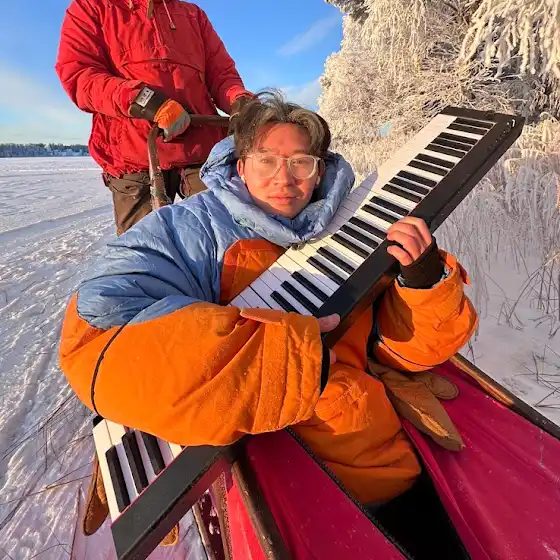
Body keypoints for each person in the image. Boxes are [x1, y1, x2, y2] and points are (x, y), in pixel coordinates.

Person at [59, 92, 478, 551]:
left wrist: (423, 282)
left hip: (385, 451)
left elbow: (402, 350)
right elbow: (96, 343)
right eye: (267, 161)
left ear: (320, 171)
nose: (285, 178)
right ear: (240, 167)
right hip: (304, 461)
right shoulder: (186, 229)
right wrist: (285, 359)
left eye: (301, 162)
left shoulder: (356, 220)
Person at [55, 0, 254, 235]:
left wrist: (240, 101)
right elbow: (80, 76)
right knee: (146, 247)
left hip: (201, 152)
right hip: (134, 155)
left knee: (227, 237)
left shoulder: (192, 14)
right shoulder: (91, 7)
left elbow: (222, 74)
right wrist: (146, 101)